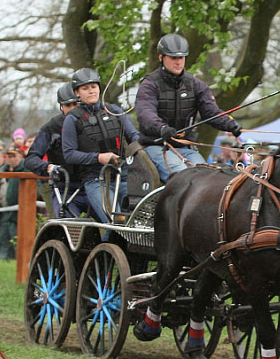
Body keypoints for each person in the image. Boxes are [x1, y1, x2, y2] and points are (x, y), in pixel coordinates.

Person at [135, 33, 242, 182]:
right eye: (173, 58)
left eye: (181, 57)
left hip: (186, 148)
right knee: (183, 177)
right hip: (156, 146)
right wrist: (162, 128)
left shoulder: (195, 84)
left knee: (207, 178)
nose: (178, 62)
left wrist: (230, 123)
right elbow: (145, 113)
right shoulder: (149, 84)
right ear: (161, 57)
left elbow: (211, 111)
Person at [62, 68, 140, 222]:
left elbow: (134, 136)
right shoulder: (72, 119)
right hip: (96, 181)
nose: (91, 91)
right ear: (77, 93)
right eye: (85, 88)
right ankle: (107, 245)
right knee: (116, 221)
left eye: (94, 87)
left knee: (141, 218)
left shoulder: (114, 111)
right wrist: (98, 158)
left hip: (124, 177)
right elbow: (69, 154)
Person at [25, 83, 91, 218]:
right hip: (64, 188)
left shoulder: (94, 123)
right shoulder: (51, 128)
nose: (72, 109)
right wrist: (48, 167)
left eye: (75, 104)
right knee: (70, 229)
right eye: (68, 106)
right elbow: (31, 159)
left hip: (93, 186)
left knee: (112, 226)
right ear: (61, 106)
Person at [0, 148, 27, 259]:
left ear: (20, 157)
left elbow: (37, 189)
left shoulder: (26, 170)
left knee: (19, 243)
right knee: (1, 242)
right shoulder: (3, 171)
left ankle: (21, 264)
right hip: (4, 212)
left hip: (20, 214)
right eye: (9, 156)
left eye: (14, 156)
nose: (12, 159)